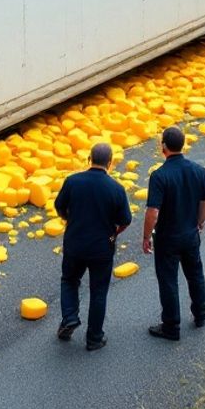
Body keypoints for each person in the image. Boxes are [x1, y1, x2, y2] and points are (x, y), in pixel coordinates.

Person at [53, 142, 132, 351]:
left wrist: (69, 219)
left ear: (89, 159)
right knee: (98, 292)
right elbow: (125, 220)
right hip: (102, 248)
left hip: (75, 243)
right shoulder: (116, 188)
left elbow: (59, 206)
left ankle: (69, 316)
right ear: (110, 162)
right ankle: (94, 338)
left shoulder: (73, 181)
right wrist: (114, 233)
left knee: (69, 280)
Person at [142, 126, 205, 341]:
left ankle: (171, 326)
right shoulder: (198, 171)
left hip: (167, 238)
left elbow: (153, 212)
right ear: (183, 145)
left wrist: (146, 237)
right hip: (190, 234)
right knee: (195, 274)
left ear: (163, 147)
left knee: (169, 281)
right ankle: (200, 314)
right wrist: (199, 222)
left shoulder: (159, 176)